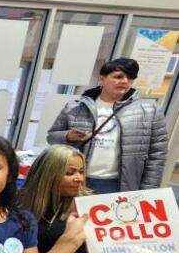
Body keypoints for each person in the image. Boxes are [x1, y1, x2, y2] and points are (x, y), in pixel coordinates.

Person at [47, 58, 168, 194]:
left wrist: (148, 190)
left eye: (130, 77)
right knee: (71, 215)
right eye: (118, 76)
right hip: (76, 178)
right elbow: (52, 137)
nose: (125, 81)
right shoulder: (76, 106)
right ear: (102, 78)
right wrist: (68, 136)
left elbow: (157, 154)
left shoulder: (149, 110)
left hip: (117, 184)